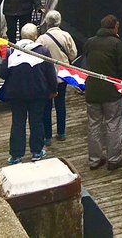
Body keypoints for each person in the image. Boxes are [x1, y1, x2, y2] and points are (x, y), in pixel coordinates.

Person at [0, 23, 57, 165]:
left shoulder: (11, 52)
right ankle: (36, 151)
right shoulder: (42, 51)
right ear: (35, 36)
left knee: (18, 123)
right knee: (36, 122)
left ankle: (16, 155)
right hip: (38, 93)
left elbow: (2, 73)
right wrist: (53, 90)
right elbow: (50, 73)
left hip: (16, 94)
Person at [84, 13, 122, 171]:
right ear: (115, 26)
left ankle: (95, 159)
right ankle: (113, 159)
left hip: (92, 90)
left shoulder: (90, 42)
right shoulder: (117, 44)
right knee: (113, 123)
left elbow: (85, 62)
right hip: (111, 92)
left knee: (94, 124)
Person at [38, 10, 78, 146]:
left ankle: (47, 136)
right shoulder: (66, 36)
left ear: (47, 23)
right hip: (62, 75)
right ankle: (61, 132)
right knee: (60, 104)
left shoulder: (42, 39)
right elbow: (73, 54)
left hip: (46, 77)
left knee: (46, 106)